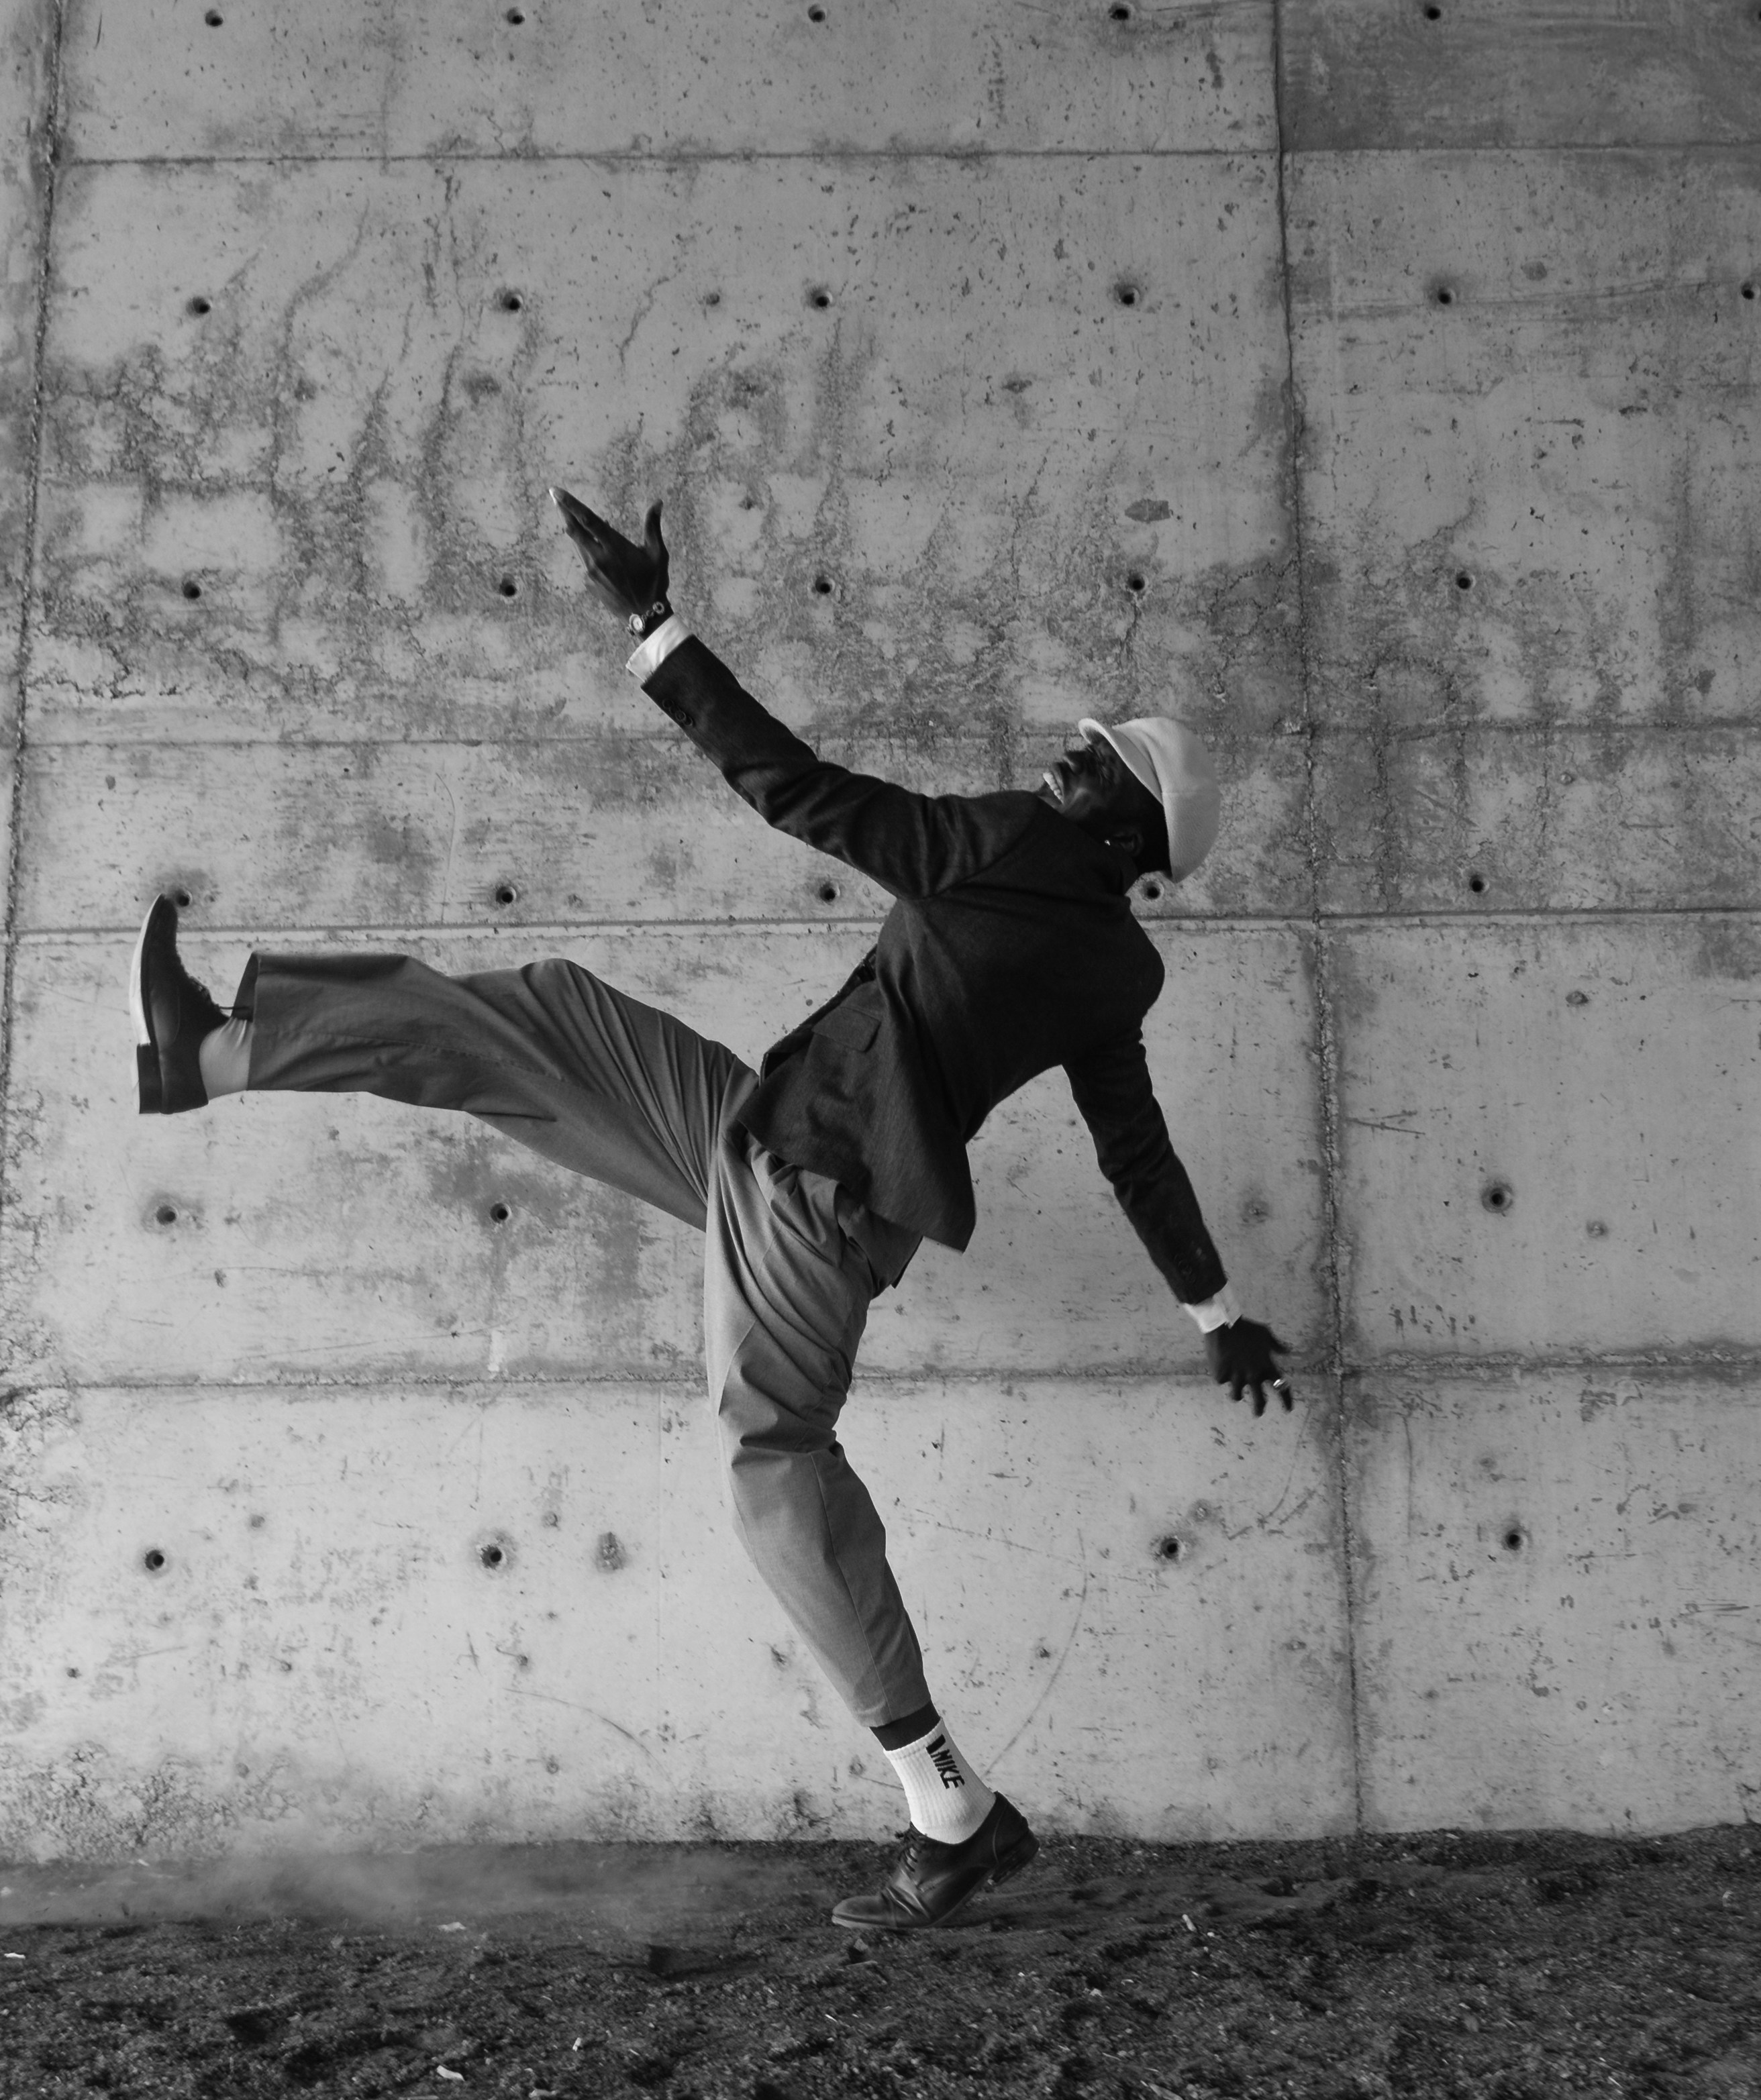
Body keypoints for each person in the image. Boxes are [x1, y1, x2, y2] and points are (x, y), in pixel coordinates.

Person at [130, 489, 1293, 1934]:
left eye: (1101, 762)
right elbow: (1136, 1151)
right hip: (756, 1133)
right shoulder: (1119, 968)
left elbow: (794, 789)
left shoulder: (1012, 848)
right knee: (547, 1017)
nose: (1069, 755)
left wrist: (652, 624)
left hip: (816, 1205)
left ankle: (947, 1803)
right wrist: (1215, 1310)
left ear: (1136, 836)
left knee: (775, 1456)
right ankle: (218, 1051)